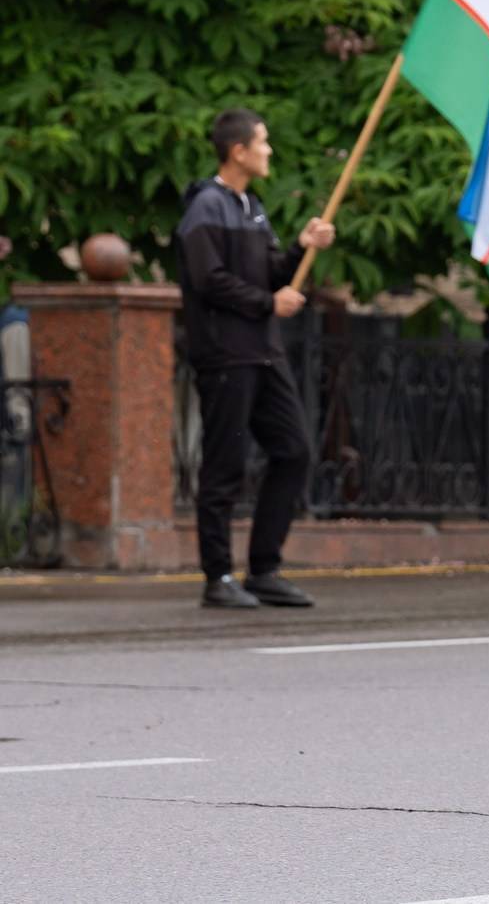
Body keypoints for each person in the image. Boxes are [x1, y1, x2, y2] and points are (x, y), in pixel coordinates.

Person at [176, 108, 334, 610]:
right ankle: (217, 576)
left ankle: (264, 568)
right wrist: (270, 304)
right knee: (224, 465)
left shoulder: (252, 207)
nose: (269, 150)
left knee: (294, 450)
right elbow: (210, 281)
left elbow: (269, 272)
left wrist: (301, 250)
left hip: (264, 353)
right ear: (238, 151)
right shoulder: (205, 207)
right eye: (262, 142)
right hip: (226, 355)